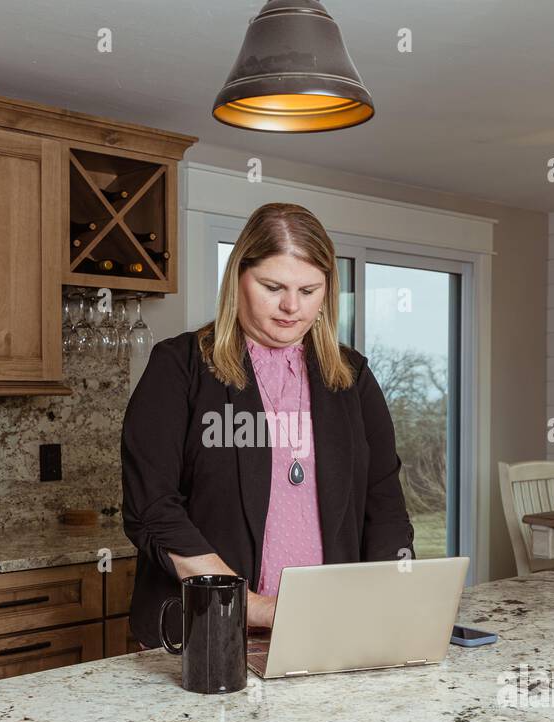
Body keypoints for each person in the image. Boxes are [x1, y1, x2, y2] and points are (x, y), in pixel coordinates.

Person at [120, 202, 415, 647]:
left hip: (324, 632)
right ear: (239, 276)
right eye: (272, 286)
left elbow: (385, 503)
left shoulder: (352, 376)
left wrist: (385, 599)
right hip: (199, 634)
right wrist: (253, 605)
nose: (291, 307)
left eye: (309, 290)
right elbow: (152, 509)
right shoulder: (178, 367)